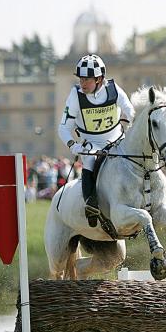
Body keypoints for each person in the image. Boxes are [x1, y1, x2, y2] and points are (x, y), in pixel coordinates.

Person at [58, 54, 135, 226]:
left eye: (86, 80)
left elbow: (130, 110)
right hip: (91, 144)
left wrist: (130, 119)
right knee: (90, 160)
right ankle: (90, 203)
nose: (82, 84)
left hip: (117, 140)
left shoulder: (114, 89)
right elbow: (63, 128)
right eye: (81, 79)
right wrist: (73, 145)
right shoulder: (76, 96)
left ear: (99, 79)